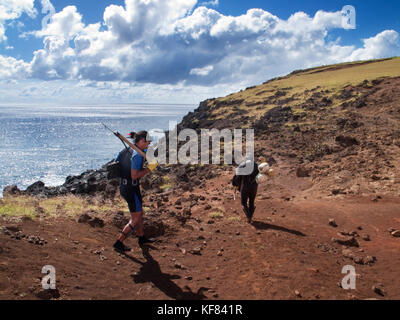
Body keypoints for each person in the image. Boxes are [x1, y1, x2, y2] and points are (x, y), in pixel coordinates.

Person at [113, 131, 159, 253]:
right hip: (131, 188)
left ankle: (141, 238)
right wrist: (149, 169)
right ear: (141, 141)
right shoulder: (137, 155)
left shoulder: (126, 150)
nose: (149, 144)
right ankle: (119, 242)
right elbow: (134, 175)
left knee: (139, 213)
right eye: (148, 142)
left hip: (124, 186)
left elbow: (118, 163)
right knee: (135, 218)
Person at [232, 158, 259, 224]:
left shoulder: (243, 165)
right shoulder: (257, 166)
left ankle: (248, 216)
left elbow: (236, 178)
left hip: (245, 187)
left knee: (244, 203)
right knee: (251, 202)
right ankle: (250, 216)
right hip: (254, 187)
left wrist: (236, 186)